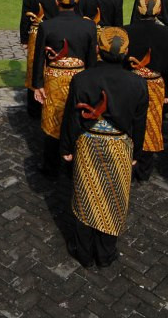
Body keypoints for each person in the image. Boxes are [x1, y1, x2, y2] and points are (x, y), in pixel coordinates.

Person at [60, 28, 147, 268]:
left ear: (98, 50)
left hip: (88, 142)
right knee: (114, 197)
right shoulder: (138, 83)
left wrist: (66, 148)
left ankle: (83, 251)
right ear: (127, 52)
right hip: (119, 145)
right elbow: (139, 124)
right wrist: (136, 153)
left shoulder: (83, 78)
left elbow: (72, 118)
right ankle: (106, 252)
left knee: (86, 193)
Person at [31, 0, 97, 177]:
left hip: (54, 77)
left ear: (56, 1)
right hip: (80, 77)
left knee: (53, 118)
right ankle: (73, 163)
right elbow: (91, 59)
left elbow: (39, 59)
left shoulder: (47, 25)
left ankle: (50, 166)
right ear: (76, 1)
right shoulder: (88, 25)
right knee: (76, 118)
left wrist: (38, 84)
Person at [124, 0, 168, 181]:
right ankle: (144, 169)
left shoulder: (126, 31)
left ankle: (126, 161)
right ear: (159, 10)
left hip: (130, 84)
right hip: (155, 85)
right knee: (150, 125)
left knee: (129, 122)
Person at [20, 0, 60, 119]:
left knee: (34, 66)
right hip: (56, 33)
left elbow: (24, 19)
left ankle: (34, 107)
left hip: (36, 33)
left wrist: (24, 39)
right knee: (53, 65)